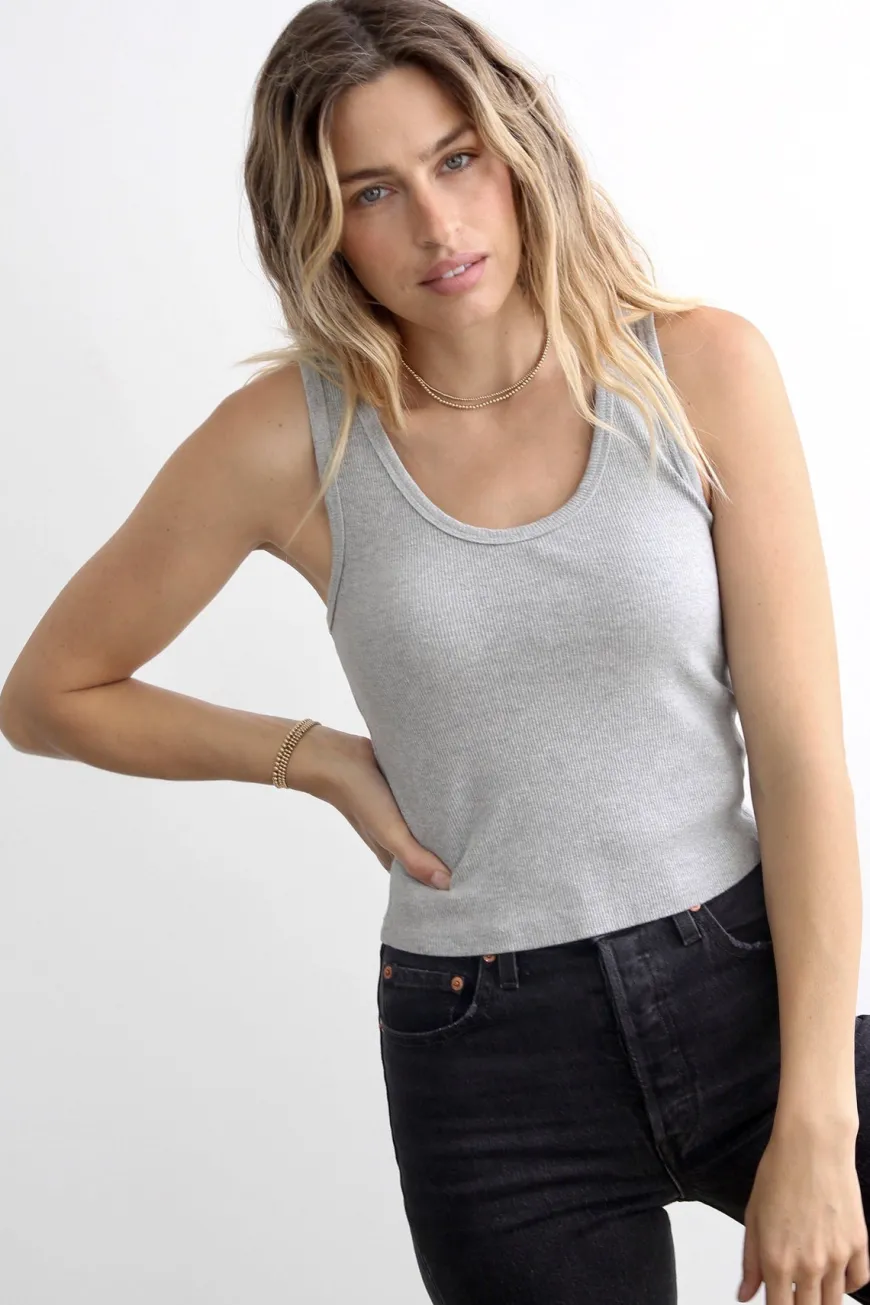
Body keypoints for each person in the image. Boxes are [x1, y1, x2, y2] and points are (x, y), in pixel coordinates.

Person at [1, 1, 868, 1301]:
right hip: (488, 1056)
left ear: (517, 151)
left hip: (749, 988)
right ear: (316, 225)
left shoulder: (698, 371)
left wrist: (818, 1120)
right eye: (372, 192)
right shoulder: (290, 441)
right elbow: (48, 694)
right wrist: (315, 758)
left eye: (456, 159)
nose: (436, 224)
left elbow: (797, 758)